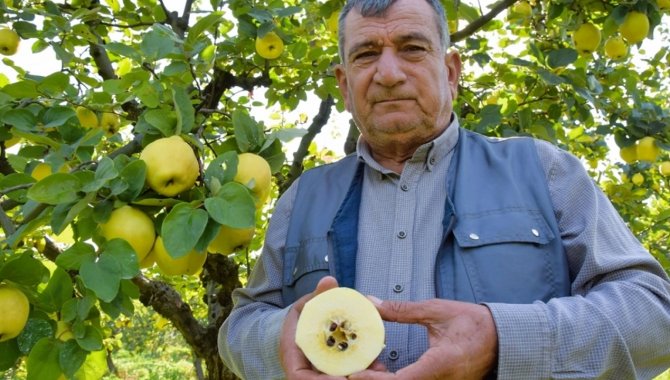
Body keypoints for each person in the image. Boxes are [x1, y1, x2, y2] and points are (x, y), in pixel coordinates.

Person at [218, 0, 670, 378]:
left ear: (451, 71)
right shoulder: (303, 196)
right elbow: (241, 327)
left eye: (412, 48)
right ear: (344, 85)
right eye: (366, 54)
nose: (389, 73)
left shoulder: (544, 170)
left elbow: (654, 315)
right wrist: (281, 341)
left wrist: (502, 339)